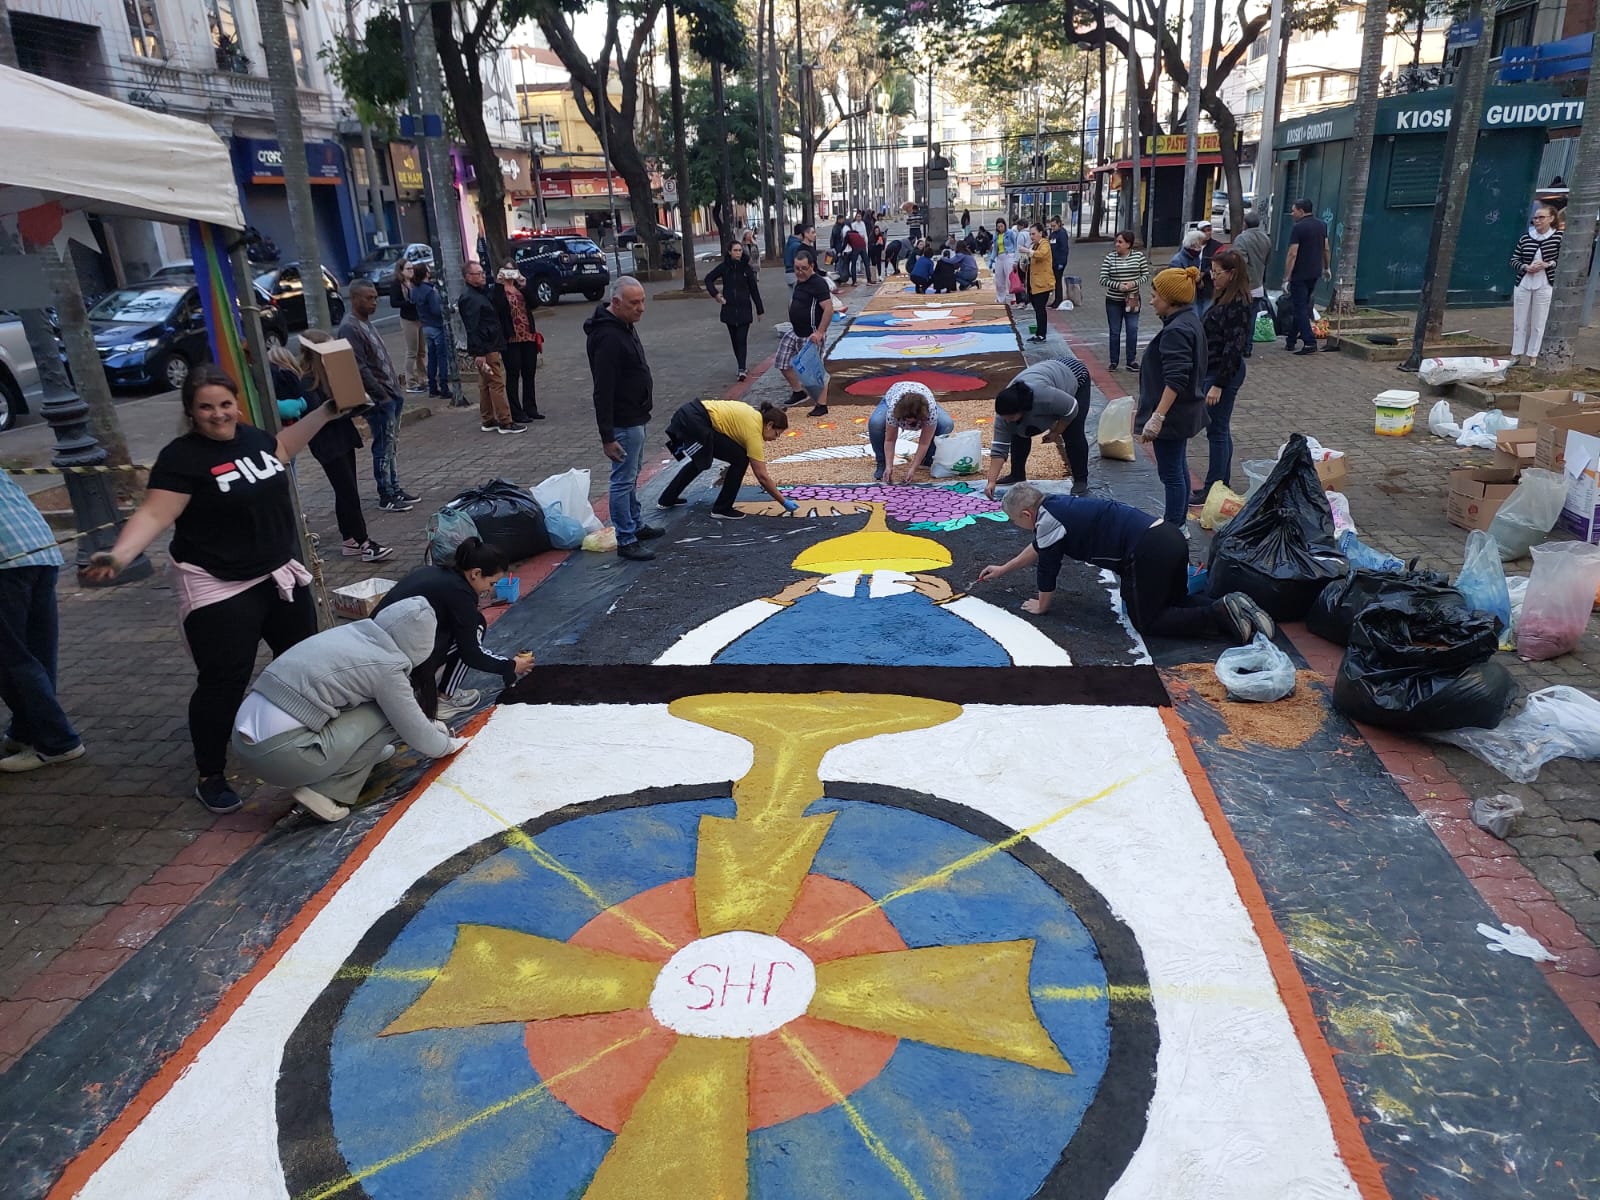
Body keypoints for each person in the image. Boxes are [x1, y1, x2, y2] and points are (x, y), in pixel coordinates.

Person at [85, 365, 344, 814]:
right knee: (224, 681)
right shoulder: (181, 457)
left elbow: (281, 448)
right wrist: (120, 556)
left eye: (224, 404)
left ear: (236, 404)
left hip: (276, 573)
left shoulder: (253, 438)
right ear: (191, 410)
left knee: (305, 664)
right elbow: (154, 514)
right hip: (219, 587)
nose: (218, 414)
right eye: (206, 407)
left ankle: (317, 744)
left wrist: (324, 411)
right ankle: (211, 773)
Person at [230, 597, 469, 823]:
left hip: (245, 740)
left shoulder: (354, 634)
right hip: (280, 758)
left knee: (370, 704)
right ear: (421, 646)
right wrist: (448, 746)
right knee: (389, 714)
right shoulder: (387, 667)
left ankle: (359, 756)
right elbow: (414, 730)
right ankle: (326, 792)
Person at [977, 485, 1274, 644]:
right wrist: (1004, 569)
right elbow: (1041, 548)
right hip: (1167, 537)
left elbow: (1047, 568)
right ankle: (1232, 605)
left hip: (1146, 551)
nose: (1018, 527)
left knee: (1148, 620)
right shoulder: (1055, 506)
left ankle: (1219, 612)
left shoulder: (1048, 520)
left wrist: (1042, 605)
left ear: (1027, 515)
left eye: (1016, 522)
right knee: (1175, 601)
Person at [375, 538, 536, 719]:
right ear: (475, 573)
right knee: (475, 626)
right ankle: (444, 697)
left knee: (467, 625)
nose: (490, 591)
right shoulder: (460, 594)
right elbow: (471, 653)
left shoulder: (439, 573)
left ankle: (421, 685)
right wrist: (511, 666)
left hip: (376, 644)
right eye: (491, 583)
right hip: (394, 661)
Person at [268, 332, 391, 563]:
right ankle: (364, 542)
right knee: (348, 492)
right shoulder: (307, 381)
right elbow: (315, 413)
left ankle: (350, 540)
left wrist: (358, 404)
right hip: (326, 442)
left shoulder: (330, 375)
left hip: (343, 436)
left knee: (347, 489)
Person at [0, 469, 83, 772]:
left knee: (13, 657)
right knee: (37, 650)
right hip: (39, 550)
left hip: (5, 562)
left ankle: (58, 741)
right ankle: (25, 729)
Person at [586, 277, 661, 562]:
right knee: (623, 479)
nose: (641, 308)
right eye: (634, 303)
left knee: (631, 476)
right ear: (616, 304)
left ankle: (635, 524)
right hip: (623, 420)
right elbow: (602, 390)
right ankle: (626, 537)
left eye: (642, 301)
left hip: (636, 414)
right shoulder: (607, 337)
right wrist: (607, 436)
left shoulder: (624, 325)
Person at [1136, 266, 1209, 530]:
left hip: (1174, 415)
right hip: (1184, 411)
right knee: (1178, 466)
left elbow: (1176, 379)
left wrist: (1157, 417)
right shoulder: (1189, 321)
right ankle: (1178, 522)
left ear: (1171, 299)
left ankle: (1174, 527)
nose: (1152, 299)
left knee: (1171, 474)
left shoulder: (1177, 330)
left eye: (1156, 295)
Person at [338, 280, 417, 512]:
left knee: (391, 444)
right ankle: (386, 494)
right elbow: (359, 367)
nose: (374, 302)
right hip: (380, 398)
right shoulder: (349, 327)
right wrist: (380, 395)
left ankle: (394, 487)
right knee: (383, 446)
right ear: (354, 299)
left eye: (375, 298)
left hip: (391, 394)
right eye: (368, 298)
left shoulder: (365, 323)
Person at [658, 399, 796, 518]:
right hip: (695, 420)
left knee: (702, 459)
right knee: (739, 459)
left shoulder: (753, 415)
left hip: (688, 414)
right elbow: (762, 476)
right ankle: (722, 509)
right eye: (776, 434)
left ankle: (667, 499)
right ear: (769, 425)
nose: (775, 439)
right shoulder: (754, 433)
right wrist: (783, 501)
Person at [1193, 248, 1253, 505]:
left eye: (1217, 272)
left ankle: (1215, 485)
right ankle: (1219, 482)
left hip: (1222, 373)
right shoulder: (1223, 298)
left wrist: (1218, 384)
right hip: (1215, 369)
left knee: (1216, 431)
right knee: (1219, 430)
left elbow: (1234, 347)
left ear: (1232, 274)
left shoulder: (1237, 304)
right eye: (1212, 271)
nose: (1212, 276)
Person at [983, 356, 1091, 499]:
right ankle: (1017, 474)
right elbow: (999, 449)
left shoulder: (1045, 397)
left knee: (1073, 432)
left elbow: (1071, 408)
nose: (1005, 420)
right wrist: (991, 481)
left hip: (1075, 374)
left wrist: (1057, 431)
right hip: (1048, 373)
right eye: (1003, 417)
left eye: (1009, 416)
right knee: (1016, 429)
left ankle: (1080, 481)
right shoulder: (1004, 414)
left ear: (1022, 410)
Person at [459, 261, 525, 435]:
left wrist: (498, 284)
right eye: (478, 274)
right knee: (496, 382)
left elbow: (494, 301)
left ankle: (488, 419)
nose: (482, 276)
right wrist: (479, 352)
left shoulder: (479, 294)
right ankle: (505, 421)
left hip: (489, 343)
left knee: (485, 383)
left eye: (482, 273)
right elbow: (472, 327)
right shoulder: (470, 298)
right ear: (468, 277)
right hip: (486, 346)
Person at [777, 249, 834, 416]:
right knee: (782, 361)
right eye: (796, 268)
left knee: (814, 370)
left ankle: (821, 405)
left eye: (803, 268)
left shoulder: (818, 283)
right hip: (795, 331)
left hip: (811, 334)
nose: (799, 272)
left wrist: (820, 332)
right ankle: (798, 392)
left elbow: (828, 309)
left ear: (812, 266)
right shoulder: (799, 282)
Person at [869, 381, 955, 483]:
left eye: (913, 421)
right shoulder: (893, 409)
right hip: (894, 394)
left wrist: (913, 469)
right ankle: (882, 462)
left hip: (924, 398)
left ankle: (928, 458)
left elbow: (924, 443)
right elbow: (890, 440)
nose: (909, 424)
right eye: (907, 420)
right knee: (876, 423)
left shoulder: (930, 412)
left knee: (946, 424)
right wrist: (889, 466)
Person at [1510, 204, 1563, 368]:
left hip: (1545, 282)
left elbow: (1563, 259)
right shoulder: (1526, 237)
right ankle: (1516, 353)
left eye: (1541, 217)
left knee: (1539, 321)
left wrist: (1548, 264)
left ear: (1551, 219)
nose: (1537, 220)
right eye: (1535, 217)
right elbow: (1514, 259)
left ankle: (1533, 355)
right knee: (1520, 321)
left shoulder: (1558, 237)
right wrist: (1525, 267)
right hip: (1525, 281)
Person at [705, 239, 765, 381]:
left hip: (744, 308)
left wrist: (759, 309)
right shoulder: (724, 267)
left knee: (741, 339)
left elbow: (754, 289)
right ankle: (741, 364)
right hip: (729, 308)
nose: (738, 253)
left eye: (740, 250)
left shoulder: (746, 268)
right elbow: (708, 279)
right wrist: (716, 294)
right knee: (734, 340)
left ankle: (741, 368)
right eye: (735, 250)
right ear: (730, 252)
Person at [1283, 198, 1330, 355]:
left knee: (1300, 308)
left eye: (1294, 210)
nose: (1292, 213)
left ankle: (1309, 342)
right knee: (1301, 305)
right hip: (1314, 272)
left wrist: (1286, 277)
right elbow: (1326, 248)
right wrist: (1327, 267)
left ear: (1301, 211)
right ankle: (1291, 340)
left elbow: (1292, 253)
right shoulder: (1322, 225)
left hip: (1299, 274)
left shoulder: (1298, 228)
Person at [496, 264, 543, 422]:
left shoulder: (519, 288)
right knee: (513, 374)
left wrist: (524, 285)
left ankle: (531, 408)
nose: (509, 274)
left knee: (529, 373)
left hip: (528, 335)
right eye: (506, 270)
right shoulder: (498, 291)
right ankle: (516, 412)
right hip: (511, 338)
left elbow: (535, 303)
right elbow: (498, 308)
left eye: (512, 270)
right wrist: (499, 284)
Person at [1099, 230, 1149, 371]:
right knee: (1115, 331)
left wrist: (1134, 283)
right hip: (1114, 300)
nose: (1117, 245)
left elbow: (1145, 274)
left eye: (1120, 242)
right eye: (1116, 242)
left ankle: (1131, 360)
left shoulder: (1139, 257)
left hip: (1132, 299)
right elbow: (1103, 279)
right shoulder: (1110, 258)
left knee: (1132, 330)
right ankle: (1114, 361)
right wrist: (1118, 285)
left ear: (1129, 244)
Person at [410, 264, 449, 398]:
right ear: (426, 273)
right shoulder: (430, 290)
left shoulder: (415, 290)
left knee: (431, 357)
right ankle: (444, 386)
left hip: (425, 325)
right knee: (442, 357)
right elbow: (436, 310)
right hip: (436, 326)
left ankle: (432, 386)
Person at [389, 261, 426, 393]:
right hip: (408, 319)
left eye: (412, 268)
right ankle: (410, 381)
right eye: (408, 268)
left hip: (419, 318)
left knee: (421, 351)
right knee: (412, 351)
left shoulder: (415, 282)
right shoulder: (397, 284)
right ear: (401, 270)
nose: (411, 271)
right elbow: (394, 302)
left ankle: (423, 378)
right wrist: (408, 303)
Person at [1170, 229, 1214, 318]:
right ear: (1193, 244)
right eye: (1200, 244)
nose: (1201, 247)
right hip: (1185, 300)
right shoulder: (1177, 261)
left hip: (1196, 296)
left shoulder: (1195, 257)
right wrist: (1195, 280)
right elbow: (1176, 283)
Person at [1025, 222, 1054, 343]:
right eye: (1030, 234)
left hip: (1043, 284)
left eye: (1034, 234)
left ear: (1040, 233)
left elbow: (1041, 255)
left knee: (1040, 309)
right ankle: (1039, 333)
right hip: (1034, 284)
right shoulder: (1034, 245)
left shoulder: (1045, 244)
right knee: (1037, 309)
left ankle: (1042, 334)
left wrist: (1028, 251)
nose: (1032, 236)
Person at [993, 217, 1017, 306]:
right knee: (999, 278)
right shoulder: (996, 235)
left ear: (1005, 225)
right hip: (999, 256)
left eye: (1001, 226)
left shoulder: (1010, 233)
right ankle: (1000, 298)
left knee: (1009, 277)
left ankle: (1012, 297)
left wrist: (1015, 258)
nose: (1000, 228)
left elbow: (1015, 245)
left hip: (1009, 255)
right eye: (998, 227)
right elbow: (995, 248)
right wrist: (992, 259)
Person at [1048, 215, 1071, 307]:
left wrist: (1061, 262)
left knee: (1057, 281)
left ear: (1059, 224)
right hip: (1053, 261)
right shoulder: (1053, 234)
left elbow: (1064, 249)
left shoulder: (1062, 233)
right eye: (1051, 226)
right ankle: (1056, 299)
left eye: (1054, 226)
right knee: (1055, 281)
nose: (1053, 228)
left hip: (1059, 262)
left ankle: (1058, 300)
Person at [784, 224, 815, 289]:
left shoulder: (790, 242)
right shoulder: (797, 245)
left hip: (788, 272)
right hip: (794, 273)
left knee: (794, 296)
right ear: (801, 234)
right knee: (798, 295)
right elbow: (799, 260)